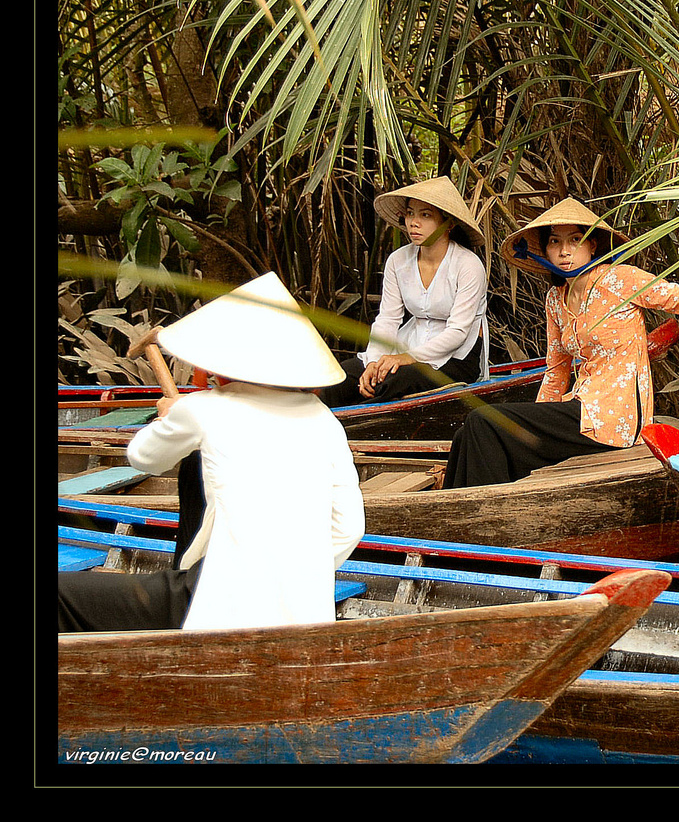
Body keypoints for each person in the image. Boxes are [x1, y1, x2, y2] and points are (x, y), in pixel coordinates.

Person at [58, 272, 366, 633]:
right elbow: (349, 530)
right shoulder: (324, 419)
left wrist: (168, 417)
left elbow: (143, 457)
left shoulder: (204, 408)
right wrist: (288, 576)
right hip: (305, 614)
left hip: (214, 603)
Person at [443, 197, 679, 488]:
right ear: (544, 249)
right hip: (579, 409)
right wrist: (533, 428)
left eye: (575, 240)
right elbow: (556, 372)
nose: (564, 250)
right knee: (470, 433)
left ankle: (463, 528)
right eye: (555, 241)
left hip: (616, 418)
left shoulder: (620, 280)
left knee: (481, 421)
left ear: (594, 246)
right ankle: (454, 522)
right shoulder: (555, 299)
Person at [317, 175, 489, 408]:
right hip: (406, 345)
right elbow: (388, 318)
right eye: (410, 213)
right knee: (336, 379)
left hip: (456, 357)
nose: (413, 222)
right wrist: (374, 362)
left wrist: (407, 358)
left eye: (425, 215)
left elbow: (458, 331)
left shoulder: (468, 265)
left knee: (389, 381)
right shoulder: (398, 260)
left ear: (448, 223)